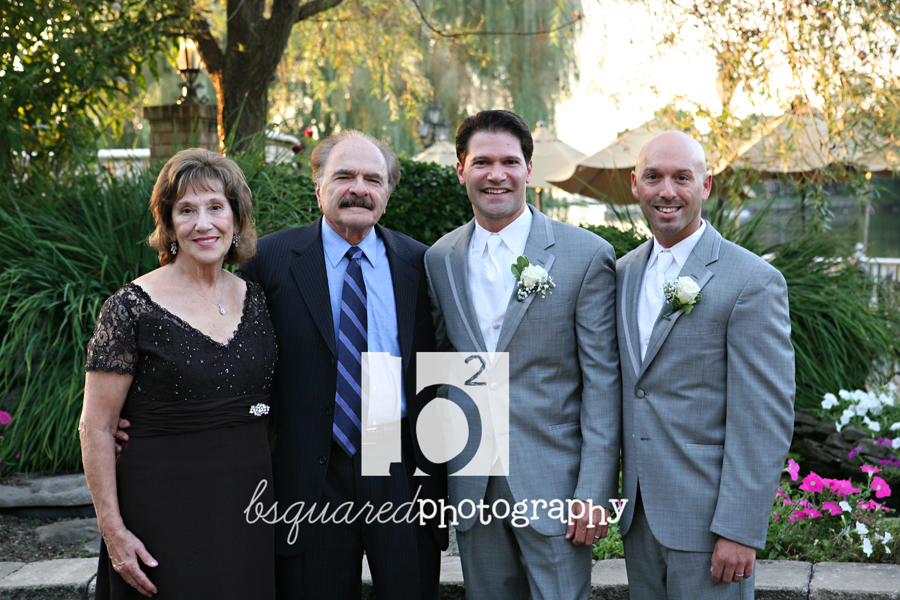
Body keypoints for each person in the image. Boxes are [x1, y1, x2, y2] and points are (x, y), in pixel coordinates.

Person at [236, 130, 447, 599]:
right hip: (309, 469)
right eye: (344, 176)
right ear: (318, 187)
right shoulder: (268, 261)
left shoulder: (421, 262)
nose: (359, 189)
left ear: (387, 195)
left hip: (398, 462)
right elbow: (234, 358)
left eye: (373, 179)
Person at [424, 110, 621, 600]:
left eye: (509, 162)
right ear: (461, 170)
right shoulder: (439, 258)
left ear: (528, 170)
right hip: (472, 480)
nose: (497, 175)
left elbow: (602, 381)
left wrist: (593, 492)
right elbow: (441, 362)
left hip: (554, 483)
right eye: (482, 162)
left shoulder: (585, 254)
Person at [80, 148, 276, 599]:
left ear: (236, 218)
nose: (203, 224)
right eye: (186, 210)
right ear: (168, 225)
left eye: (215, 207)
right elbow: (96, 427)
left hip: (249, 508)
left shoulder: (258, 299)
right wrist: (113, 532)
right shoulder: (130, 307)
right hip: (161, 512)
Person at [616, 130, 795, 599]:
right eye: (653, 177)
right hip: (638, 520)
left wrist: (739, 528)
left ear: (706, 185)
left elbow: (764, 417)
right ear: (635, 184)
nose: (667, 191)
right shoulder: (621, 273)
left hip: (710, 526)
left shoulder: (753, 281)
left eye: (682, 178)